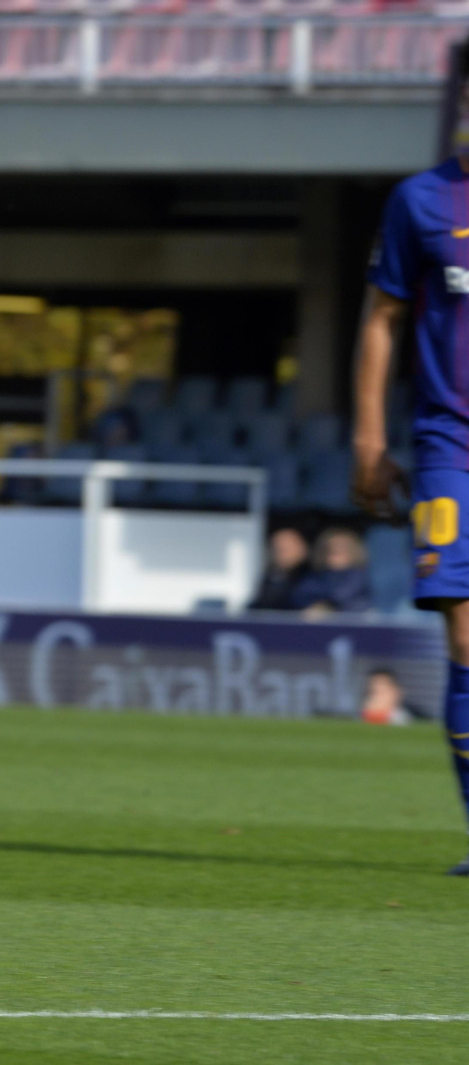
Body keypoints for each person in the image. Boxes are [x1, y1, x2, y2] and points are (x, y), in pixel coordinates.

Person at [351, 136, 469, 874]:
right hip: (450, 445)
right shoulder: (420, 200)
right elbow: (382, 318)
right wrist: (368, 440)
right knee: (465, 628)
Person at [290, 527, 372, 618]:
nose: (335, 550)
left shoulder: (358, 576)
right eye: (329, 547)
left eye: (341, 547)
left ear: (353, 551)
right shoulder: (315, 575)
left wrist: (324, 605)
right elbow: (300, 595)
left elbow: (341, 596)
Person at [249, 527, 312, 612]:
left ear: (302, 550)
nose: (279, 554)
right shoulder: (270, 578)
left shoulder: (312, 579)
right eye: (276, 549)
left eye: (284, 550)